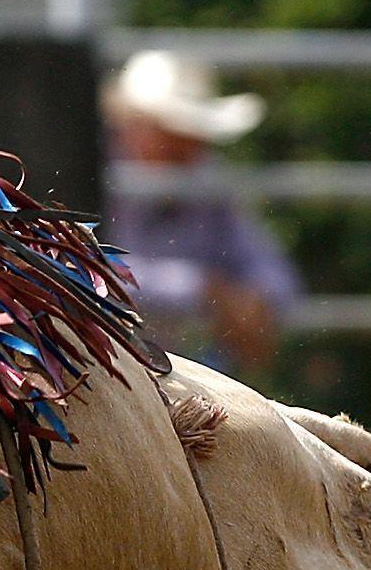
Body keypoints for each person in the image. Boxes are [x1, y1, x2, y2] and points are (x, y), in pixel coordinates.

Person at [103, 51, 300, 377]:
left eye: (193, 135)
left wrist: (256, 300)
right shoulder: (100, 177)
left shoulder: (206, 179)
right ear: (135, 126)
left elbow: (273, 271)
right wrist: (203, 290)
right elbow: (92, 272)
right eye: (174, 132)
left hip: (191, 369)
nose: (189, 146)